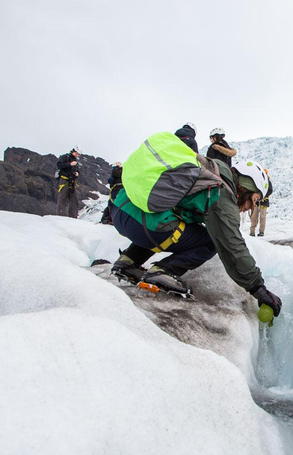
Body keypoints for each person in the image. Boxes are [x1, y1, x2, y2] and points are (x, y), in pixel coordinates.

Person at [109, 133, 281, 318]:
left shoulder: (208, 169)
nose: (250, 208)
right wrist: (258, 288)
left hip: (120, 210)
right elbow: (232, 246)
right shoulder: (221, 193)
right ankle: (163, 271)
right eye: (254, 200)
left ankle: (128, 261)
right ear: (247, 185)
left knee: (176, 221)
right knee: (210, 241)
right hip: (142, 225)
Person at [56, 146, 81, 218]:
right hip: (64, 180)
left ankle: (73, 217)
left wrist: (77, 173)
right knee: (62, 198)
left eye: (78, 154)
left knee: (74, 200)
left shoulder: (76, 162)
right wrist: (69, 164)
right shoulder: (64, 157)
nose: (77, 155)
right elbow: (59, 165)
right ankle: (60, 216)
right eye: (76, 153)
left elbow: (77, 170)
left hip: (72, 181)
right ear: (72, 151)